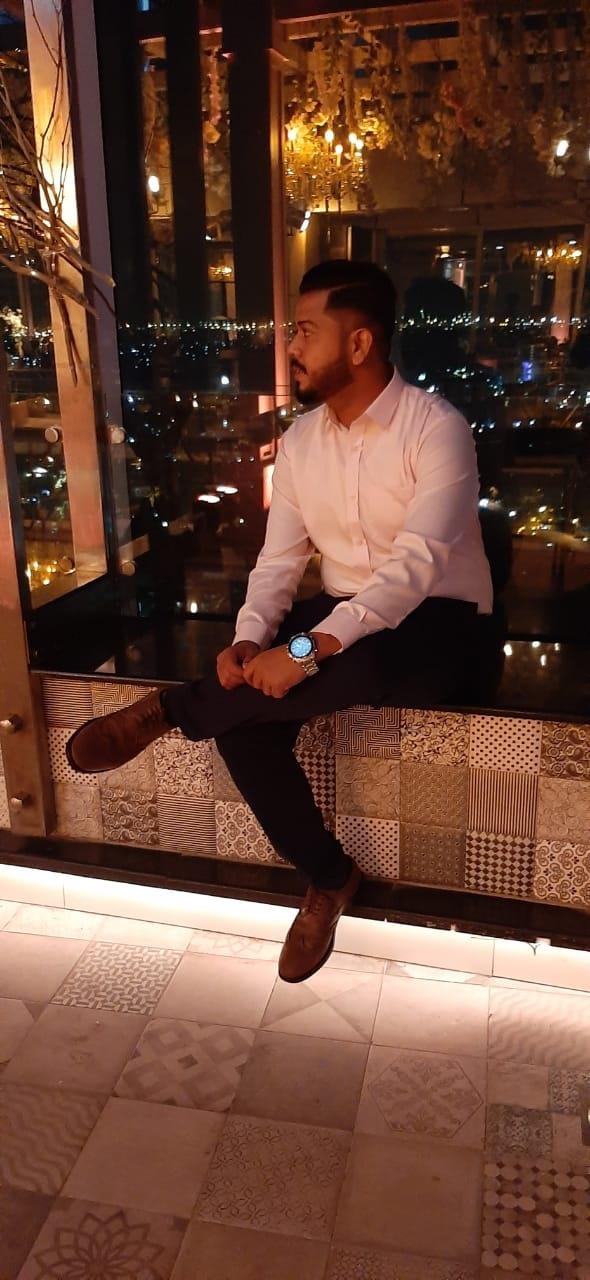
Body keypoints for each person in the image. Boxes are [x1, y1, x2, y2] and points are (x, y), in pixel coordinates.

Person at [66, 259, 494, 984]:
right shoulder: (301, 441)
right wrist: (249, 639)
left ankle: (171, 710)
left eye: (304, 331)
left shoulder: (436, 429)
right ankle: (329, 876)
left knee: (363, 657)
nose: (290, 346)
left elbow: (414, 568)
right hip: (346, 613)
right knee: (243, 722)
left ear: (359, 343)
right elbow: (279, 559)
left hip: (442, 621)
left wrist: (302, 651)